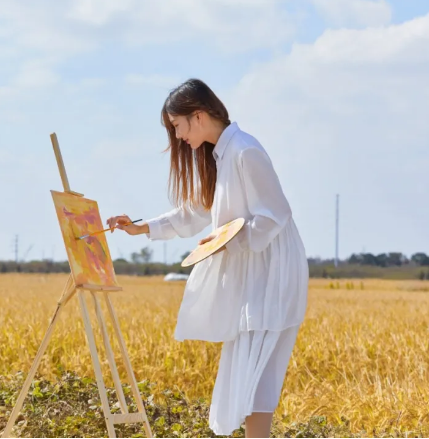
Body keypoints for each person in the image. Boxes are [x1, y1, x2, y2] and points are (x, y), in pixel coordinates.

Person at [106, 78, 308, 438]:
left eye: (178, 126)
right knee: (248, 373)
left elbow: (275, 214)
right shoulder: (220, 155)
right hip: (254, 271)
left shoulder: (245, 151)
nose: (178, 136)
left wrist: (228, 240)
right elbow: (194, 212)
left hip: (272, 271)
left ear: (197, 116)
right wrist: (141, 228)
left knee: (256, 375)